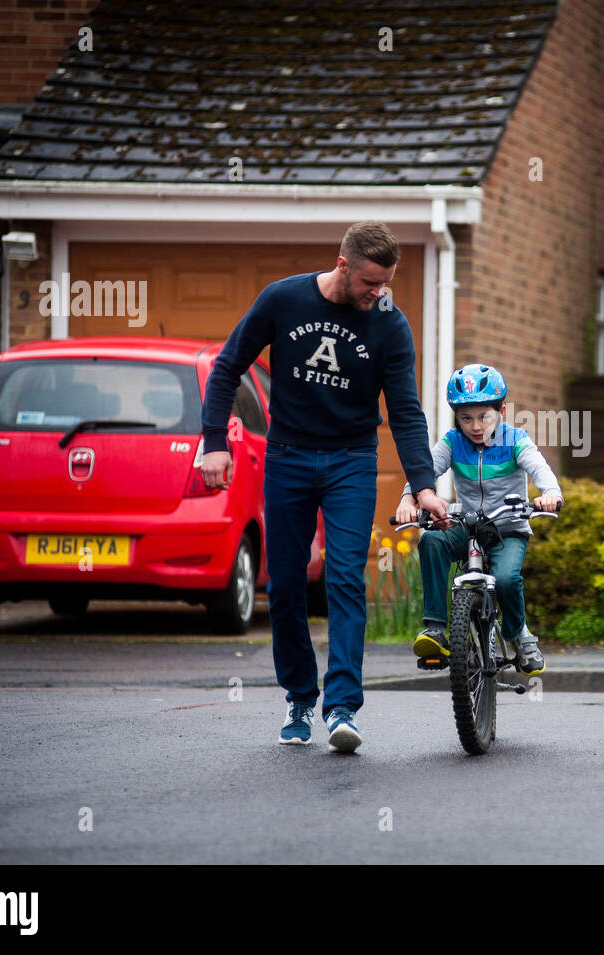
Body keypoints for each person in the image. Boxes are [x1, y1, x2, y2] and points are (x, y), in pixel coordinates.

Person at [200, 221, 448, 752]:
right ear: (342, 266)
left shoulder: (389, 325)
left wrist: (423, 484)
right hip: (287, 458)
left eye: (385, 284)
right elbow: (227, 368)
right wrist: (214, 439)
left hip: (352, 461)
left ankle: (341, 707)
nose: (377, 294)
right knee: (286, 584)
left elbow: (404, 412)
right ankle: (298, 698)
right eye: (369, 283)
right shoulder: (283, 299)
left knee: (343, 580)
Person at [394, 363, 563, 676]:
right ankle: (435, 629)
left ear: (500, 409)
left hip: (507, 528)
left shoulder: (515, 439)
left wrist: (550, 494)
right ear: (456, 417)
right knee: (431, 539)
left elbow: (540, 469)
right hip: (467, 526)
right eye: (465, 417)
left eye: (483, 416)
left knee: (507, 579)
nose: (474, 426)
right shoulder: (452, 442)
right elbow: (424, 470)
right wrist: (408, 498)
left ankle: (519, 635)